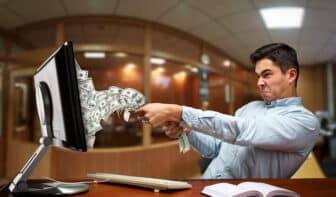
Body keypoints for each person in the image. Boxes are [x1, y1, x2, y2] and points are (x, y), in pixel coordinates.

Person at [136, 43, 320, 179]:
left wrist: (179, 112)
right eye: (258, 76)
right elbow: (216, 148)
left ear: (291, 75)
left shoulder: (305, 122)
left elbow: (244, 131)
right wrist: (188, 131)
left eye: (267, 74)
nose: (259, 82)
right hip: (205, 186)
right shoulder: (250, 108)